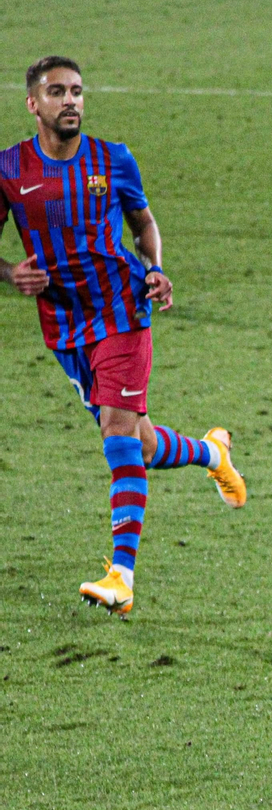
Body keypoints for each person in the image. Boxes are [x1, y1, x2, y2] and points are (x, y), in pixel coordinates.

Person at [0, 56, 246, 618]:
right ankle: (213, 452)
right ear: (33, 103)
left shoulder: (113, 159)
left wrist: (155, 269)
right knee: (141, 440)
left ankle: (122, 577)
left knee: (116, 434)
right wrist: (10, 273)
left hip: (122, 311)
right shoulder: (9, 169)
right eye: (57, 92)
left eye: (77, 91)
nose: (70, 101)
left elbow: (143, 224)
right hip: (65, 326)